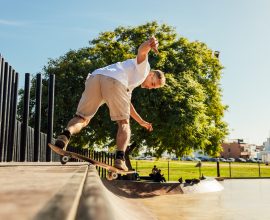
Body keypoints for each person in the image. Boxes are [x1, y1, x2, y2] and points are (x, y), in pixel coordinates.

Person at [54, 36, 166, 171]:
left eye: (153, 88)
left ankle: (65, 135)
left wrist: (141, 121)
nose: (150, 87)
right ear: (151, 75)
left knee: (82, 118)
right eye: (152, 84)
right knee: (123, 123)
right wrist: (149, 44)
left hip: (95, 77)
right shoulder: (144, 69)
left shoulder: (129, 77)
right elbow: (142, 52)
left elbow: (127, 105)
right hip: (115, 81)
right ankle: (120, 159)